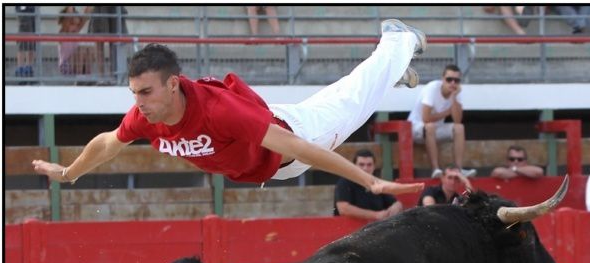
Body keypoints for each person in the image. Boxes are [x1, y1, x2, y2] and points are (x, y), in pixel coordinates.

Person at [32, 19, 427, 201]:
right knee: (355, 94)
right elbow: (107, 143)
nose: (139, 104)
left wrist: (368, 180)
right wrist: (69, 173)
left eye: (146, 93)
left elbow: (300, 148)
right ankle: (392, 74)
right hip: (264, 130)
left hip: (298, 139)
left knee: (352, 98)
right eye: (134, 93)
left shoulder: (217, 111)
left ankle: (397, 40)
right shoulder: (146, 114)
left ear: (173, 84)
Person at [407, 64, 477, 179]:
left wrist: (454, 97)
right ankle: (436, 169)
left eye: (456, 80)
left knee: (459, 129)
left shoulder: (455, 92)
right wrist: (447, 112)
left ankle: (458, 169)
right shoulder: (432, 88)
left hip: (433, 131)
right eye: (449, 79)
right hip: (416, 129)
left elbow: (458, 121)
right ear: (442, 79)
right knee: (430, 126)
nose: (453, 83)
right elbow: (425, 118)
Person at [334, 149, 403, 220]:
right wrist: (376, 215)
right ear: (354, 166)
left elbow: (397, 203)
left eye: (369, 165)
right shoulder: (344, 182)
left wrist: (395, 208)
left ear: (374, 167)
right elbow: (343, 209)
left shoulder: (376, 183)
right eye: (361, 164)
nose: (365, 168)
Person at [87, 5, 128, 81]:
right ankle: (101, 77)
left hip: (115, 8)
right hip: (99, 9)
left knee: (114, 41)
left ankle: (113, 75)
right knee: (99, 40)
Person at [58, 7, 93, 77]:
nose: (75, 27)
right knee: (81, 49)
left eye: (77, 25)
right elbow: (68, 15)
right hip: (66, 65)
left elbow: (85, 16)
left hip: (77, 64)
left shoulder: (76, 31)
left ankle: (88, 76)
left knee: (87, 49)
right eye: (72, 24)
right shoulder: (64, 32)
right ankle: (79, 77)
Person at [15, 6, 36, 79]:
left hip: (33, 11)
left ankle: (29, 69)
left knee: (32, 41)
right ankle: (21, 70)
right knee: (22, 42)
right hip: (24, 10)